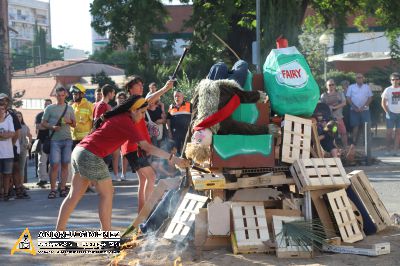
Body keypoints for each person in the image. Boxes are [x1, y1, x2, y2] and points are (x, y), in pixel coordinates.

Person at [55, 95, 189, 231]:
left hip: (79, 151)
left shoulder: (122, 117)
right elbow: (147, 147)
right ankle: (107, 239)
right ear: (134, 110)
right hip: (90, 155)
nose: (143, 117)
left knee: (73, 196)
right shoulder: (126, 121)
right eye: (142, 113)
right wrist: (174, 158)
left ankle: (58, 235)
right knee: (107, 194)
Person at [121, 76, 175, 212]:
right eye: (138, 85)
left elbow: (148, 100)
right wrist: (165, 88)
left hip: (136, 146)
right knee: (151, 176)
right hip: (134, 146)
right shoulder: (132, 102)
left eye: (141, 84)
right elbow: (149, 99)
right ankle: (147, 212)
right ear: (130, 88)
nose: (141, 87)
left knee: (144, 180)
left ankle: (142, 213)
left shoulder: (135, 102)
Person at [41, 87, 76, 199]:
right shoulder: (50, 108)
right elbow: (43, 123)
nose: (60, 97)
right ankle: (52, 190)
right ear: (55, 96)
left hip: (67, 139)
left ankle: (62, 188)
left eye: (62, 95)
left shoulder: (69, 108)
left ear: (65, 95)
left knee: (65, 164)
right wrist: (52, 127)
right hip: (54, 140)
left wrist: (68, 121)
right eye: (58, 95)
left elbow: (74, 124)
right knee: (54, 164)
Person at [0, 93, 29, 199]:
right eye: (1, 101)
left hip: (12, 145)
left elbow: (17, 132)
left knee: (15, 168)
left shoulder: (12, 114)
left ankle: (18, 189)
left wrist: (11, 144)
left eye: (5, 100)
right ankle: (5, 191)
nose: (3, 102)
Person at [346, 73, 373, 145]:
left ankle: (366, 143)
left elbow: (370, 98)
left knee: (366, 126)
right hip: (354, 110)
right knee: (355, 126)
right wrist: (355, 107)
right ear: (356, 79)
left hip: (365, 110)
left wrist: (363, 107)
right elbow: (348, 98)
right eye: (358, 77)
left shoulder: (367, 87)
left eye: (361, 77)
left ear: (363, 78)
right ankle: (354, 143)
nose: (359, 79)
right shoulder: (351, 87)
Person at [320, 79, 348, 147]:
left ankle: (345, 147)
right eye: (330, 85)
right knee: (332, 133)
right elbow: (322, 107)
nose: (331, 86)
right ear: (327, 86)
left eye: (333, 84)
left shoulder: (340, 94)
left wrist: (335, 107)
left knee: (343, 132)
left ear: (335, 85)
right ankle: (333, 148)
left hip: (338, 118)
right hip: (328, 119)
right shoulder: (324, 95)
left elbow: (344, 103)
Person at [167, 90, 192, 155]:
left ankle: (188, 164)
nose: (176, 98)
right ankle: (176, 164)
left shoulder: (189, 105)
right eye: (175, 96)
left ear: (182, 96)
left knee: (187, 151)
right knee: (175, 151)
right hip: (175, 133)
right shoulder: (171, 107)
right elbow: (168, 120)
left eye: (178, 96)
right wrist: (169, 131)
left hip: (187, 133)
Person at [70, 84, 94, 150]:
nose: (74, 96)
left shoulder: (89, 105)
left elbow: (94, 122)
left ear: (82, 94)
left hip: (85, 140)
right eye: (73, 94)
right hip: (74, 139)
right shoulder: (73, 106)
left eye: (76, 94)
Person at [381, 72, 400, 156]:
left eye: (396, 79)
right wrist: (387, 112)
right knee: (389, 133)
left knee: (398, 132)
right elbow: (383, 103)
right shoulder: (388, 89)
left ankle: (395, 150)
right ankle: (388, 150)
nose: (395, 81)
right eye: (393, 79)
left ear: (399, 80)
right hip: (391, 113)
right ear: (390, 80)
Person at [35, 99, 52, 188]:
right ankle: (42, 179)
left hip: (53, 140)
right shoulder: (39, 115)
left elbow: (58, 126)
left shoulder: (54, 115)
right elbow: (38, 127)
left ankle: (54, 179)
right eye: (45, 104)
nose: (47, 106)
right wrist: (50, 126)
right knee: (42, 161)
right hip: (42, 141)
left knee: (54, 162)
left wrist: (44, 125)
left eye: (48, 104)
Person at [0, 102, 15, 201]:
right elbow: (7, 133)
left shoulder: (9, 119)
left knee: (7, 174)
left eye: (2, 109)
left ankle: (5, 194)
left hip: (7, 152)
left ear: (5, 110)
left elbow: (12, 133)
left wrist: (5, 135)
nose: (0, 111)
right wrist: (5, 134)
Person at [16, 111, 32, 184]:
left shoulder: (25, 126)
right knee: (14, 168)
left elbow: (30, 135)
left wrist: (30, 143)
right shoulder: (12, 125)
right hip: (14, 148)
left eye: (20, 116)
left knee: (21, 168)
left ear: (22, 118)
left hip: (23, 148)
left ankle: (21, 185)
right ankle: (13, 185)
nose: (18, 118)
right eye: (17, 116)